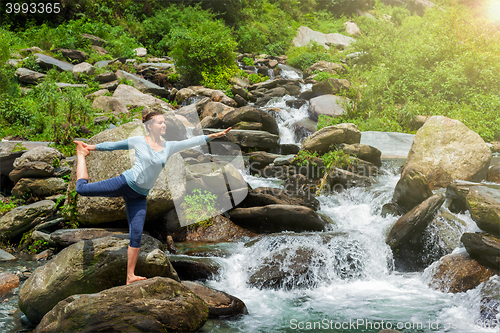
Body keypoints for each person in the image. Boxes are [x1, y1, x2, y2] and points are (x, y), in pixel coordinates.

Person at [73, 111, 231, 284]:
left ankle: (130, 276)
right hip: (124, 183)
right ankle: (80, 155)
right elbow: (113, 145)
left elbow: (189, 142)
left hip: (139, 196)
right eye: (160, 123)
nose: (163, 125)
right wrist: (89, 148)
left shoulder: (168, 146)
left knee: (136, 234)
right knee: (82, 189)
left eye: (164, 123)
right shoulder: (139, 140)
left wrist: (213, 136)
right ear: (149, 126)